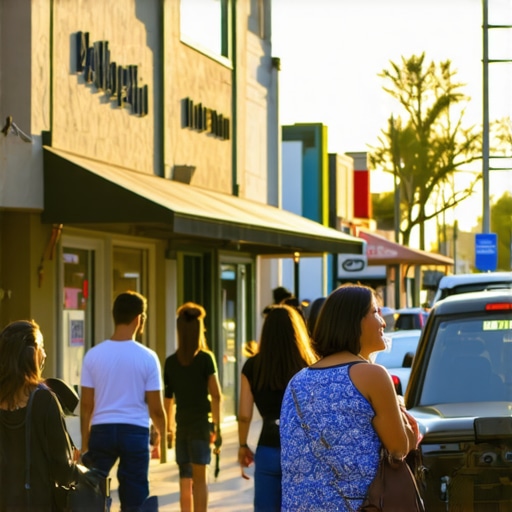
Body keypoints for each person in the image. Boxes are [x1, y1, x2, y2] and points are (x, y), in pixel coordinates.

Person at [280, 284, 418, 512]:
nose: (383, 322)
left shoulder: (297, 381)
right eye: (375, 312)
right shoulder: (372, 375)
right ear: (354, 321)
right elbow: (399, 448)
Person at [80, 291, 166, 512]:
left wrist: (85, 442)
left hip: (102, 430)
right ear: (139, 319)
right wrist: (161, 437)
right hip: (135, 432)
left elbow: (87, 406)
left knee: (93, 493)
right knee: (135, 499)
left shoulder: (93, 355)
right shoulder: (148, 357)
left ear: (115, 316)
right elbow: (156, 409)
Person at [238, 304, 317, 512]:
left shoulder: (253, 366)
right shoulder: (309, 364)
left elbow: (244, 415)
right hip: (303, 449)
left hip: (268, 448)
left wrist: (242, 445)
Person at [0, 319, 79, 510]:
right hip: (37, 503)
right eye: (41, 347)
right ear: (32, 354)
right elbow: (63, 471)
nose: (45, 354)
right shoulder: (45, 400)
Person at [164, 302, 222, 512]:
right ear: (199, 329)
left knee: (184, 481)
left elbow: (168, 399)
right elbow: (216, 395)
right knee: (200, 480)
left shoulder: (170, 362)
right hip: (200, 427)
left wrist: (168, 429)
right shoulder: (206, 359)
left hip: (182, 427)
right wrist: (216, 426)